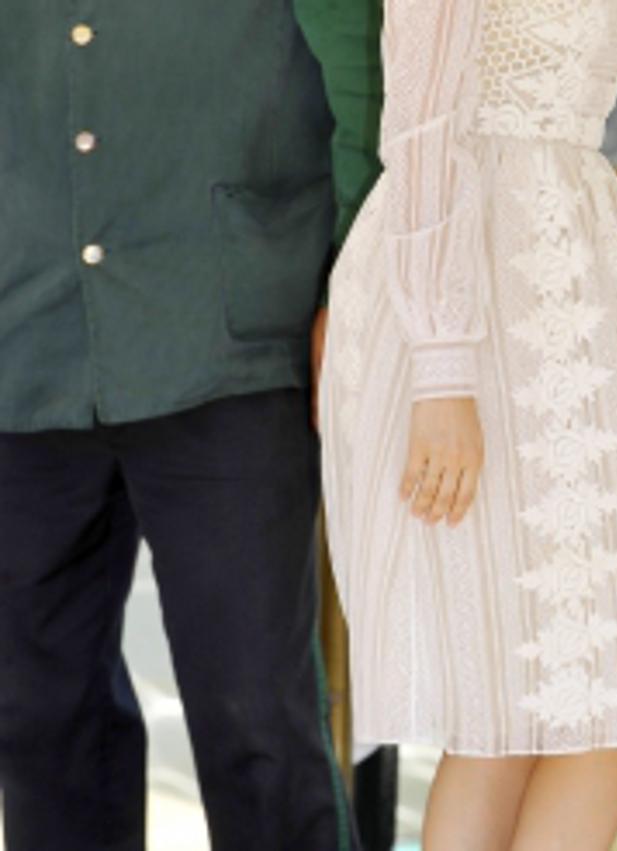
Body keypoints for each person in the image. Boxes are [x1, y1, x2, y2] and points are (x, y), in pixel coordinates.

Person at [316, 0, 617, 847]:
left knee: (561, 696)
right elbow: (421, 123)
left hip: (576, 265)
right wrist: (442, 367)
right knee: (531, 700)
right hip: (476, 291)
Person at [0, 1, 381, 848]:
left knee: (257, 714)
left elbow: (367, 73)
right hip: (22, 337)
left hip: (226, 329)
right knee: (38, 712)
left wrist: (359, 278)